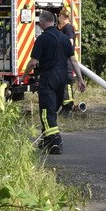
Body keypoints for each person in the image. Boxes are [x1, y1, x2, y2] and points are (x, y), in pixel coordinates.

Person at [25, 10, 85, 154]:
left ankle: (56, 144)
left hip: (48, 78)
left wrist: (24, 76)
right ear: (54, 20)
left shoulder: (42, 39)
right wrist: (80, 80)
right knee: (52, 111)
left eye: (39, 21)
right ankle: (46, 142)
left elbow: (33, 62)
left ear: (42, 22)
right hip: (63, 79)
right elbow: (74, 61)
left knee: (46, 112)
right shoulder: (64, 38)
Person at [57, 8, 78, 115]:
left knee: (67, 85)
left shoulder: (68, 28)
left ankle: (68, 107)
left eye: (60, 16)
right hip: (61, 62)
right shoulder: (62, 29)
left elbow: (69, 43)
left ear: (63, 17)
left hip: (67, 63)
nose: (58, 18)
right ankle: (64, 107)